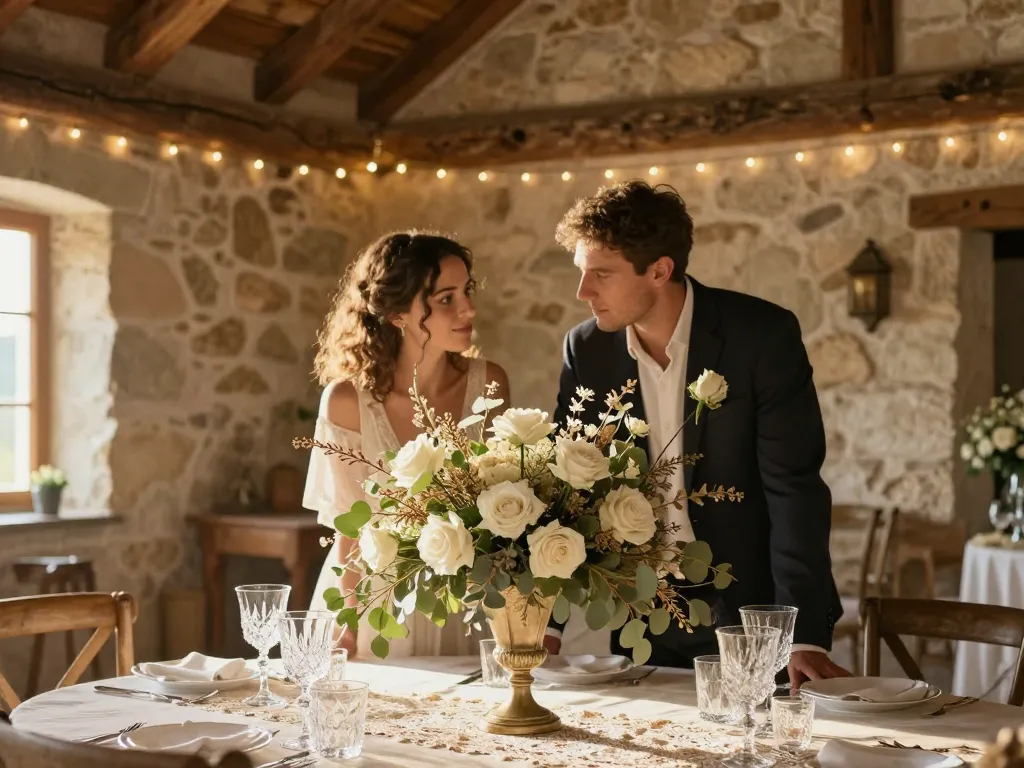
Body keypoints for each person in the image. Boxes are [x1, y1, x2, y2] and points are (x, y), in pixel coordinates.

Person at [545, 181, 849, 689]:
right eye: (581, 273)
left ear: (660, 270)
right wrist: (546, 620)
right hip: (642, 611)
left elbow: (794, 488)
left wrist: (803, 634)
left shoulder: (761, 337)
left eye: (600, 274)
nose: (583, 293)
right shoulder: (587, 351)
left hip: (752, 613)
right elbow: (566, 488)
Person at [302, 230, 511, 659]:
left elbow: (504, 514)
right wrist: (348, 626)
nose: (468, 308)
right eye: (446, 298)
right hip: (380, 602)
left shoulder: (490, 384)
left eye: (466, 291)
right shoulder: (346, 401)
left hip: (467, 600)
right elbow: (350, 529)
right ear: (398, 313)